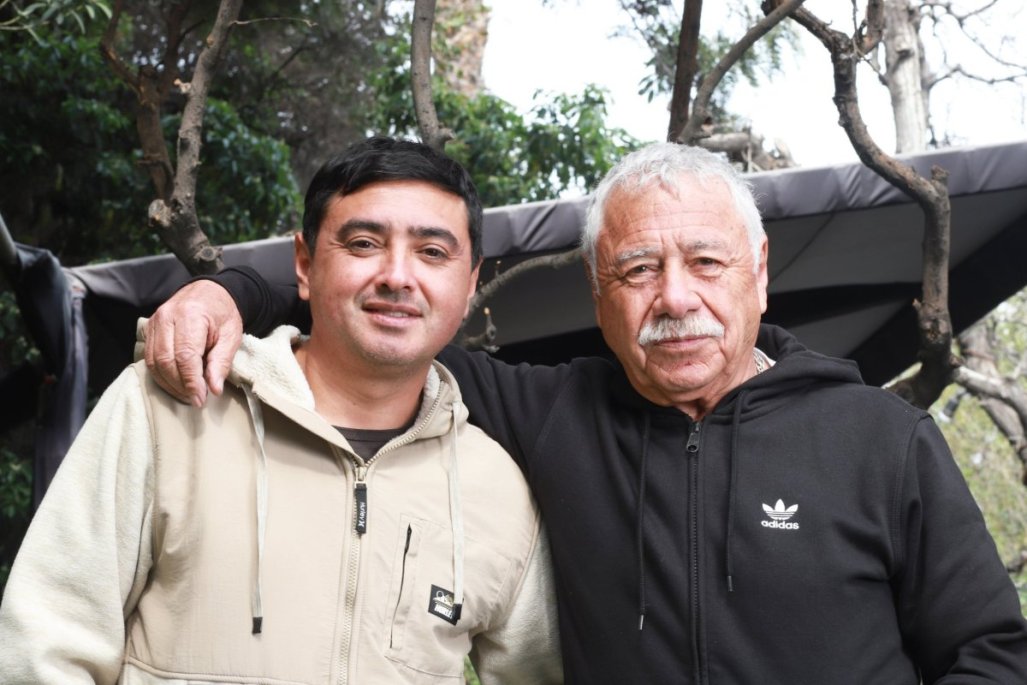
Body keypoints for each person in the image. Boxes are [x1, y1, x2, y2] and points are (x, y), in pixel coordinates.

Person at [142, 142, 1027, 683]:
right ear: (599, 295)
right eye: (637, 270)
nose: (673, 298)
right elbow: (376, 321)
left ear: (758, 273)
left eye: (705, 263)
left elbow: (993, 651)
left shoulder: (879, 439)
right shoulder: (548, 411)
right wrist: (230, 291)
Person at [0, 137, 561, 684]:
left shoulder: (497, 486)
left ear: (470, 284)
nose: (397, 275)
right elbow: (46, 644)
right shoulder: (168, 407)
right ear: (305, 264)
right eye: (363, 243)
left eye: (432, 252)